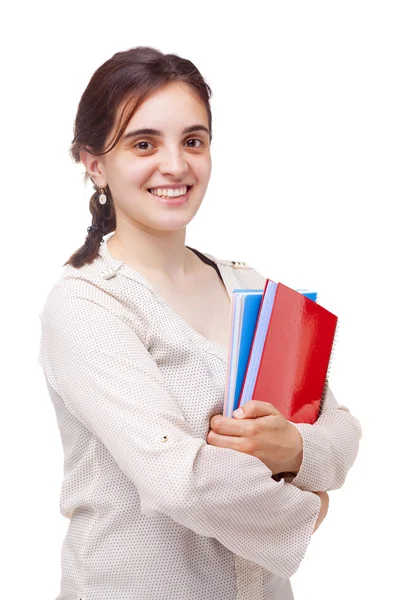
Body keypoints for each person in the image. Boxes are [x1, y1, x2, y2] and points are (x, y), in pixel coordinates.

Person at [38, 46, 362, 600]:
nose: (175, 165)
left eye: (193, 141)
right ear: (95, 163)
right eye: (144, 143)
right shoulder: (87, 304)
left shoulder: (252, 288)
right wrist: (311, 510)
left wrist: (297, 450)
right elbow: (180, 481)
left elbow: (342, 428)